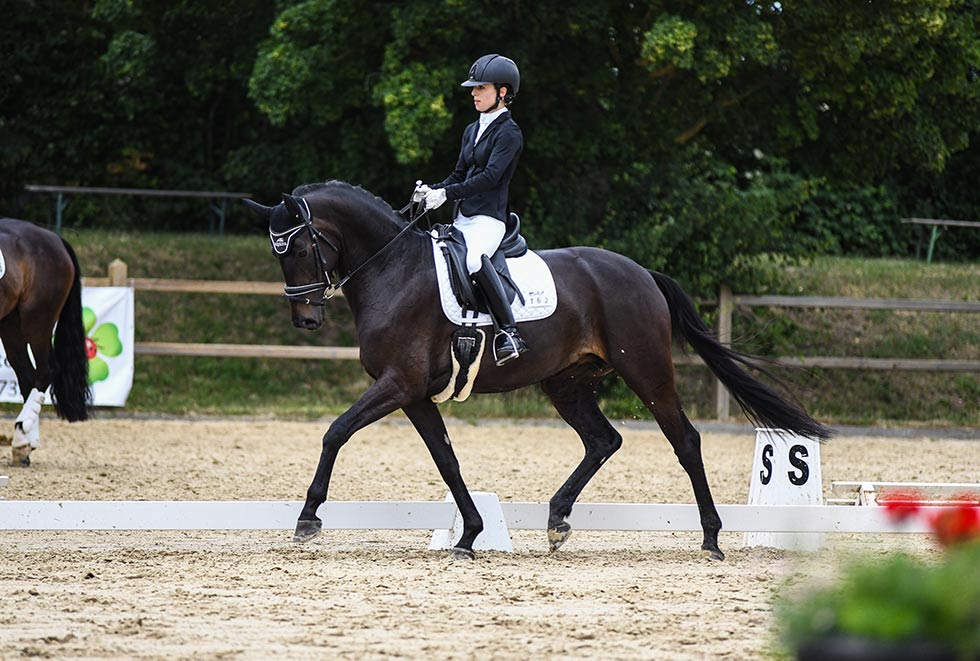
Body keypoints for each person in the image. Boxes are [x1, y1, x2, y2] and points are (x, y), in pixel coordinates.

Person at [416, 53, 528, 366]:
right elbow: (459, 174)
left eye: (481, 88)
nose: (474, 93)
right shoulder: (471, 129)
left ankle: (509, 333)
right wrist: (433, 191)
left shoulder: (510, 133)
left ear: (502, 92)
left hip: (490, 220)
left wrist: (447, 193)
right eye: (474, 88)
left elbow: (490, 178)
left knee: (474, 261)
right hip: (463, 218)